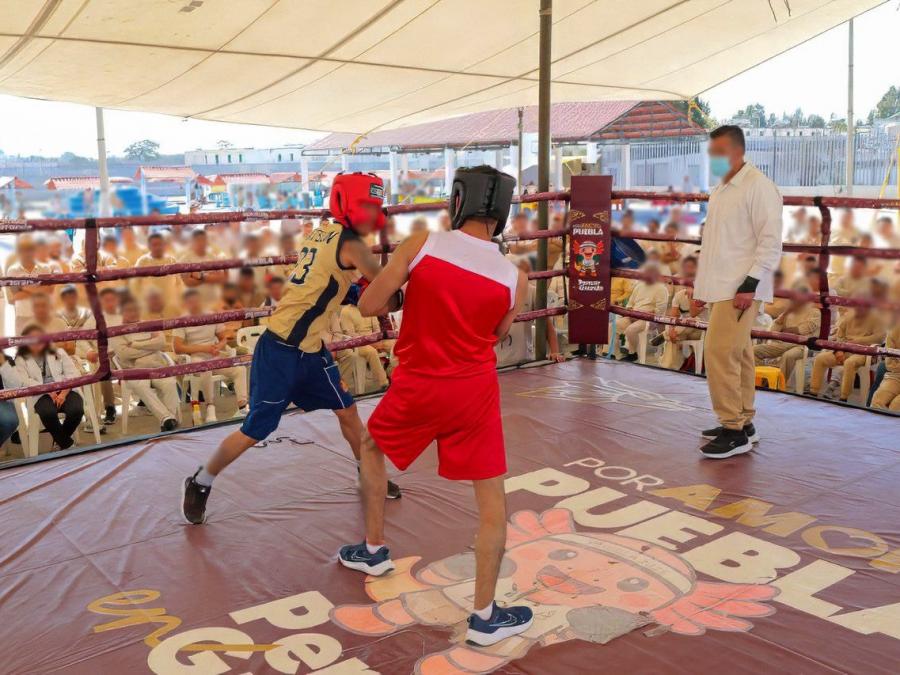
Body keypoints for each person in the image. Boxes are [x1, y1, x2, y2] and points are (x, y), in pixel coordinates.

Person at [337, 166, 534, 648]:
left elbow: (369, 308)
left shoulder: (421, 243)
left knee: (370, 444)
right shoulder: (515, 276)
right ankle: (485, 616)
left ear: (458, 198)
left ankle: (375, 549)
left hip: (418, 383)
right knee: (492, 506)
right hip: (474, 391)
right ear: (503, 210)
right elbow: (497, 334)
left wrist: (409, 289)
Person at [181, 173, 403, 525]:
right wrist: (411, 283)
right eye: (367, 206)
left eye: (375, 207)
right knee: (256, 429)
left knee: (347, 411)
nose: (372, 214)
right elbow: (387, 283)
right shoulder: (354, 245)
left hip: (311, 351)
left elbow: (328, 281)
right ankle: (201, 480)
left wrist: (357, 291)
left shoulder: (323, 231)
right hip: (281, 350)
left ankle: (368, 473)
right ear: (348, 205)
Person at [695, 125, 783, 459]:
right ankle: (743, 421)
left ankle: (732, 429)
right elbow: (716, 244)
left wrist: (750, 284)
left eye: (717, 153)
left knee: (719, 352)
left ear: (736, 152)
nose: (712, 159)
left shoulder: (759, 187)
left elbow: (770, 241)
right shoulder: (722, 189)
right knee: (740, 353)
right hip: (722, 285)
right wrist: (701, 288)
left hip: (740, 286)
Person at [172, 289, 248, 423]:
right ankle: (210, 407)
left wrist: (219, 346)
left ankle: (243, 405)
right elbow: (177, 348)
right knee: (205, 367)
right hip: (195, 357)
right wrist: (203, 348)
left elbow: (223, 337)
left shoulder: (212, 316)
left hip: (214, 355)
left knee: (239, 369)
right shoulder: (181, 320)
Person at [109, 297, 179, 432]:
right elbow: (124, 354)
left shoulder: (148, 324)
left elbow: (161, 343)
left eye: (136, 310)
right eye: (129, 310)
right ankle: (167, 419)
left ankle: (169, 421)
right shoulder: (116, 331)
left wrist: (137, 345)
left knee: (170, 383)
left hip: (156, 366)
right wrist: (150, 347)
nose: (133, 313)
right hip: (133, 370)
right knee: (141, 386)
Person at [15, 325, 84, 451]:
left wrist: (63, 393)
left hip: (65, 388)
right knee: (48, 413)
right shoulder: (21, 358)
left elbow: (73, 374)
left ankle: (60, 442)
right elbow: (24, 381)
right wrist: (47, 389)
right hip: (40, 393)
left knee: (77, 410)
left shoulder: (59, 352)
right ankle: (67, 444)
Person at [808, 306, 885, 402]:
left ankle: (844, 398)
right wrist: (839, 350)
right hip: (845, 350)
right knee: (820, 358)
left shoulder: (877, 318)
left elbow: (880, 338)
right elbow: (840, 335)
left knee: (850, 362)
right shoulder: (849, 315)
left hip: (864, 352)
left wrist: (857, 341)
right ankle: (813, 391)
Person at [753, 288, 820, 382]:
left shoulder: (815, 312)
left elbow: (802, 330)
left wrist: (785, 330)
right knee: (755, 350)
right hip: (782, 343)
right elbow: (773, 330)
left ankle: (779, 383)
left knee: (788, 356)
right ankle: (761, 378)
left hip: (801, 345)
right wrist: (783, 317)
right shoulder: (789, 311)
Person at [614, 262, 669, 361]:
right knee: (613, 326)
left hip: (649, 319)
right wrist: (630, 312)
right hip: (633, 316)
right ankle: (614, 354)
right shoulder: (639, 286)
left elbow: (660, 310)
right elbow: (629, 304)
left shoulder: (661, 288)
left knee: (631, 330)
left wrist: (643, 315)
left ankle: (632, 354)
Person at [871, 313, 900, 411]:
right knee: (877, 400)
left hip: (896, 371)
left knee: (896, 405)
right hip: (895, 375)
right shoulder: (894, 331)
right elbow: (890, 364)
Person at [0, 356, 23, 447]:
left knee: (10, 420)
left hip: (2, 400)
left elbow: (17, 385)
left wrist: (3, 364)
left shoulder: (7, 359)